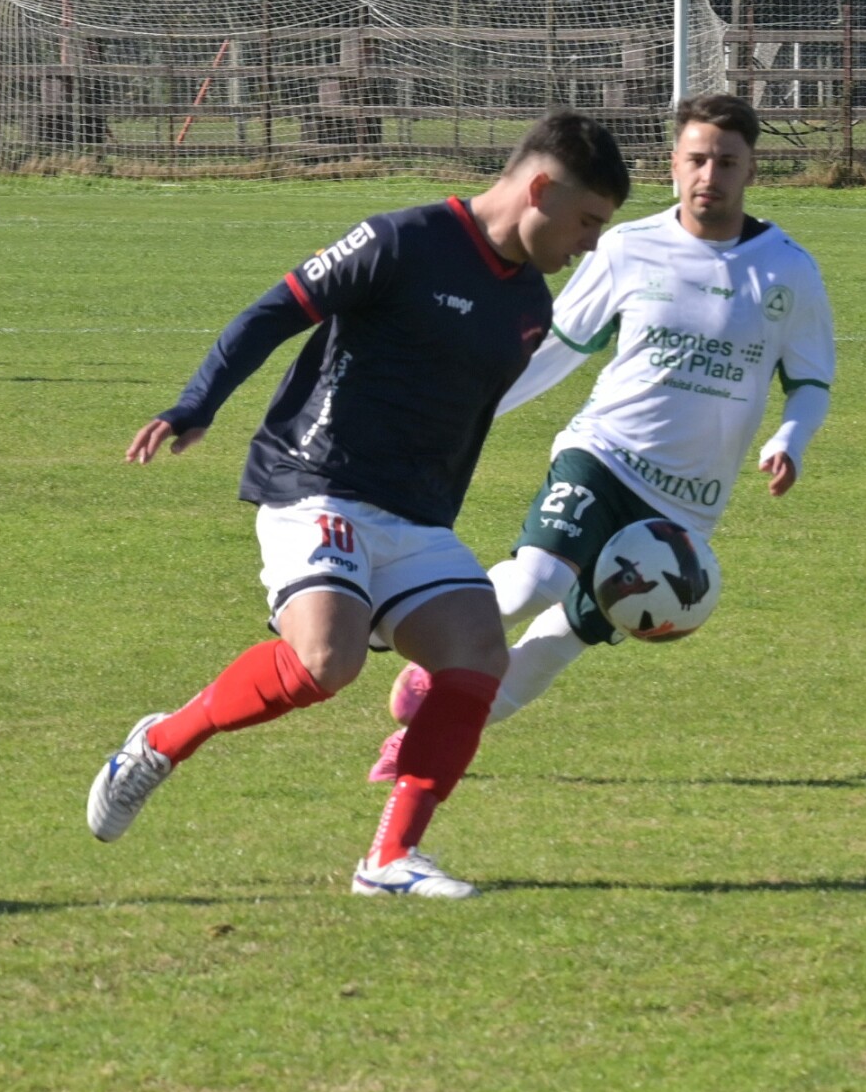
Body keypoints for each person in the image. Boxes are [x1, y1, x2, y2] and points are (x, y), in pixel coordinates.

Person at [86, 109, 631, 899]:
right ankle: (162, 741)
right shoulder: (401, 240)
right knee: (324, 663)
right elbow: (272, 311)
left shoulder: (530, 308)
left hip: (412, 521)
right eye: (586, 221)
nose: (588, 243)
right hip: (315, 484)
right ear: (539, 188)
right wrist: (195, 404)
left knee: (478, 653)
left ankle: (389, 861)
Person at [368, 92, 835, 780]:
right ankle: (391, 620)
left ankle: (419, 743)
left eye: (727, 162)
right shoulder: (626, 247)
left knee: (558, 641)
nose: (710, 175)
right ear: (673, 165)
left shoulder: (788, 270)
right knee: (532, 584)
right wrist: (468, 408)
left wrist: (789, 439)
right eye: (697, 159)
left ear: (750, 169)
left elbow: (810, 381)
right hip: (604, 457)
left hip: (688, 506)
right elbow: (556, 346)